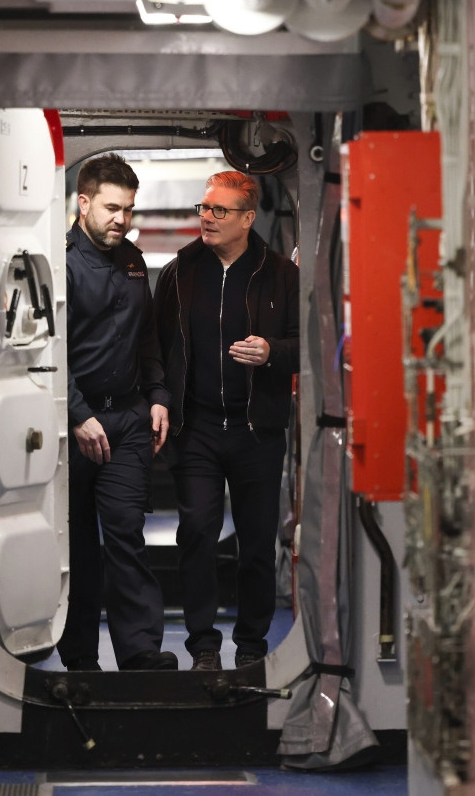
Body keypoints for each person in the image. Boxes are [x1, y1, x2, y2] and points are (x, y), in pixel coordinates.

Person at [153, 171, 299, 671]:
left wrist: (272, 351)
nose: (207, 218)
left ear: (248, 218)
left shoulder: (281, 274)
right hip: (196, 428)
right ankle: (203, 646)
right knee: (196, 533)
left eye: (220, 210)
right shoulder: (179, 272)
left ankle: (252, 646)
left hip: (257, 429)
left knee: (257, 542)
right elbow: (156, 347)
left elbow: (312, 347)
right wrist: (161, 400)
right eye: (204, 208)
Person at [59, 153, 178, 672]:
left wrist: (157, 396)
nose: (121, 220)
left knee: (126, 535)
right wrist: (76, 414)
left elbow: (146, 337)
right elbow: (44, 348)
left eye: (128, 210)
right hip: (74, 426)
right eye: (111, 208)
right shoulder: (57, 262)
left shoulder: (132, 261)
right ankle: (80, 657)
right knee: (77, 545)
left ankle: (140, 653)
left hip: (126, 420)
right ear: (83, 203)